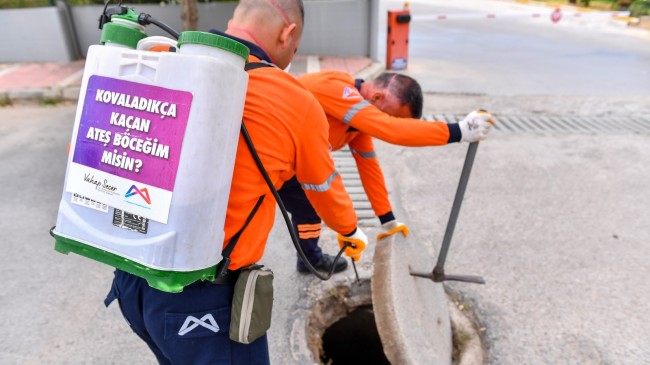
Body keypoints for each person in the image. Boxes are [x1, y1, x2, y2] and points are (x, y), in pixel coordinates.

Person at [104, 1, 368, 364]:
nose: (291, 55)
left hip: (130, 283)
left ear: (234, 22)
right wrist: (350, 230)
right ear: (287, 33)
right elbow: (323, 187)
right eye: (294, 47)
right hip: (200, 301)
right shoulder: (293, 99)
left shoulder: (161, 59)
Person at [282, 70, 495, 274]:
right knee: (259, 213)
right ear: (376, 97)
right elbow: (391, 130)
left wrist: (387, 219)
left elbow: (369, 168)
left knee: (307, 209)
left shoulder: (356, 122)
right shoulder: (335, 89)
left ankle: (309, 259)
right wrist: (458, 131)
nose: (384, 122)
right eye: (389, 116)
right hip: (265, 153)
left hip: (292, 160)